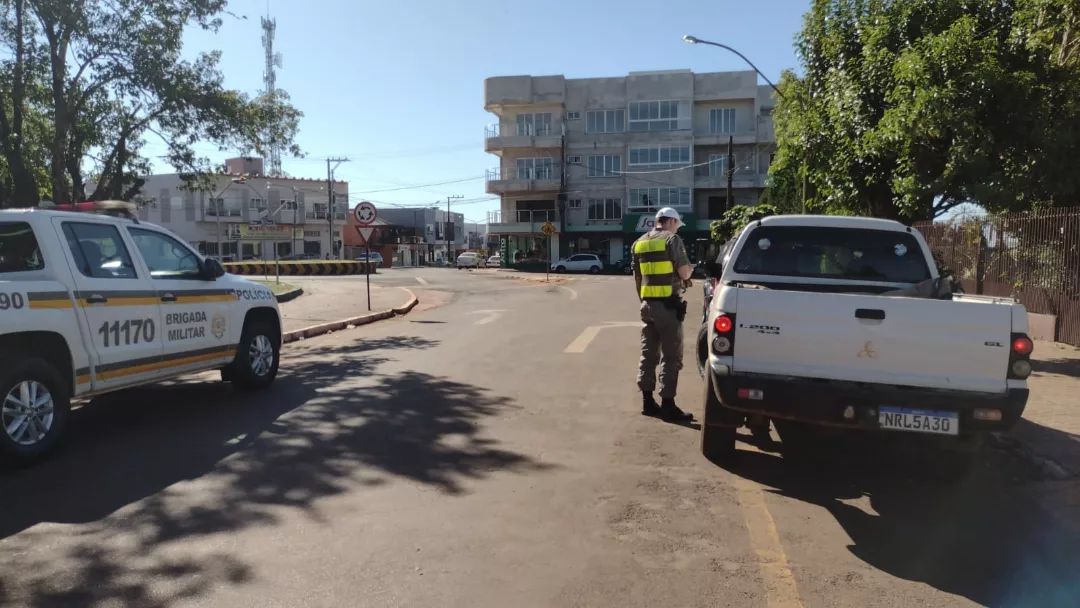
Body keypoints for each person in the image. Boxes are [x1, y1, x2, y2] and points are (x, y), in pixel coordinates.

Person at [632, 207, 695, 422]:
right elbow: (685, 272)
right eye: (677, 224)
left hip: (647, 306)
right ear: (670, 221)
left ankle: (648, 402)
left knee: (648, 354)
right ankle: (668, 405)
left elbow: (638, 278)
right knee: (671, 356)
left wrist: (645, 302)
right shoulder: (672, 240)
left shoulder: (639, 242)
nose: (677, 228)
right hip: (667, 307)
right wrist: (691, 269)